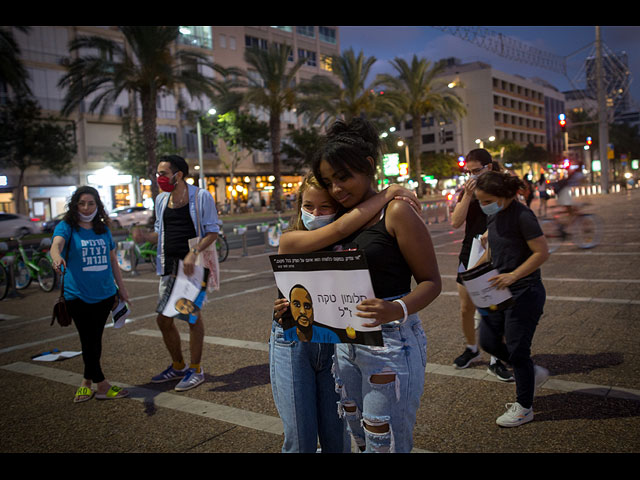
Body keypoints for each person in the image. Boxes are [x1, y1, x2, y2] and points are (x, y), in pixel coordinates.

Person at [276, 118, 440, 453]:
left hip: (391, 342)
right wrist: (290, 307)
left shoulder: (396, 213)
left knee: (385, 442)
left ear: (368, 166)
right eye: (329, 182)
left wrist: (397, 308)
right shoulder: (340, 218)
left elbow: (432, 282)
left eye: (343, 177)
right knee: (361, 439)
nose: (336, 189)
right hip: (344, 344)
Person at [136, 155, 219, 392]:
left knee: (192, 317)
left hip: (193, 268)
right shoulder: (161, 199)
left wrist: (193, 252)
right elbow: (160, 234)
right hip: (168, 267)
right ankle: (178, 365)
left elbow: (212, 232)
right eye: (158, 174)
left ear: (178, 174)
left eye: (163, 173)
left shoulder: (201, 196)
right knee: (163, 319)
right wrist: (144, 236)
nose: (159, 178)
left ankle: (195, 368)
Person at [473, 170, 550, 427]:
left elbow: (541, 252)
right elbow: (494, 248)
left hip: (524, 292)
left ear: (504, 196)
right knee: (487, 340)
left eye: (487, 201)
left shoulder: (523, 215)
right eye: (480, 202)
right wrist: (477, 271)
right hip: (498, 291)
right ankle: (528, 370)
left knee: (517, 349)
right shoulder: (495, 214)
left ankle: (525, 407)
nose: (483, 206)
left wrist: (513, 276)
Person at [50, 186, 130, 403]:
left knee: (94, 339)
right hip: (77, 295)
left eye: (91, 203)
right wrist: (56, 258)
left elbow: (113, 260)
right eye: (82, 203)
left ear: (98, 205)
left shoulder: (102, 229)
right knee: (88, 340)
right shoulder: (67, 226)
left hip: (104, 295)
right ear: (75, 205)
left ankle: (86, 382)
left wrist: (121, 289)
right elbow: (55, 245)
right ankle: (102, 385)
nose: (86, 207)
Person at [449, 149, 513, 381]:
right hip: (470, 251)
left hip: (495, 250)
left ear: (489, 166)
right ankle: (471, 348)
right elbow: (456, 222)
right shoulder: (467, 190)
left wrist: (492, 232)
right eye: (469, 172)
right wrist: (467, 195)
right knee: (467, 307)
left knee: (495, 307)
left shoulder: (502, 186)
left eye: (477, 170)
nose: (472, 175)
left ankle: (496, 358)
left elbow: (511, 214)